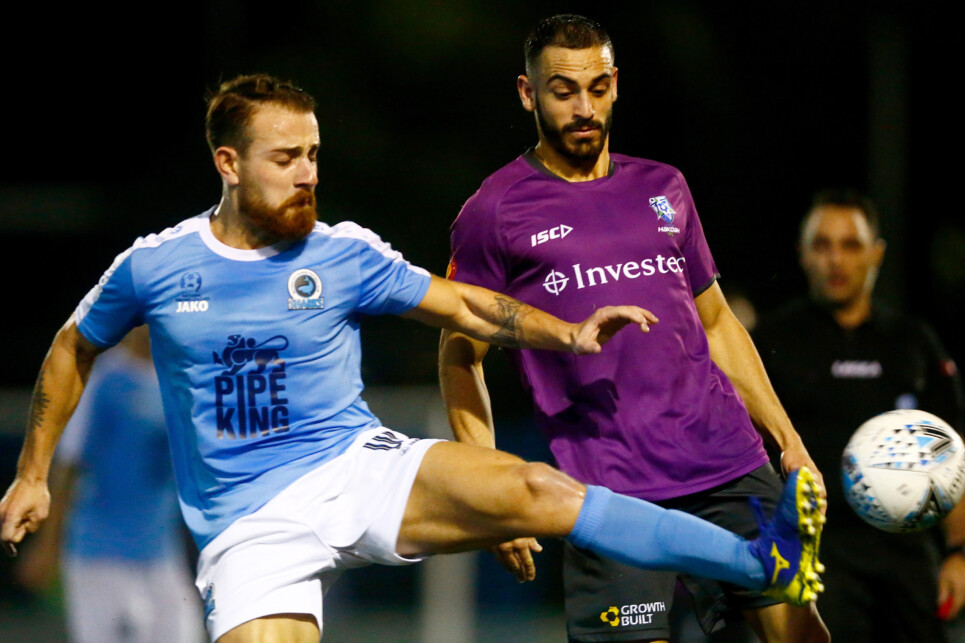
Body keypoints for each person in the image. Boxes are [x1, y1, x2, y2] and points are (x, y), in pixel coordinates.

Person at [1, 74, 824, 643]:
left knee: (541, 489)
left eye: (314, 155)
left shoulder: (343, 251)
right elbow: (73, 346)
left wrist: (563, 333)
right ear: (228, 163)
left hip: (356, 465)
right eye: (286, 159)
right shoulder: (155, 265)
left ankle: (762, 559)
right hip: (249, 527)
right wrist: (34, 471)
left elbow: (462, 304)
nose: (308, 174)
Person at [439, 14, 829, 643]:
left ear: (616, 83)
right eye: (563, 91)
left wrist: (788, 441)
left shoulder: (664, 186)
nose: (584, 107)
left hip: (727, 465)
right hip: (609, 496)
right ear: (527, 92)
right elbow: (461, 355)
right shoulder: (494, 211)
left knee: (802, 636)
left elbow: (717, 322)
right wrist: (493, 493)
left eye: (597, 87)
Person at [752, 189, 965, 642]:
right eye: (822, 244)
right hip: (814, 555)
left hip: (908, 554)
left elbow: (954, 456)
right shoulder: (770, 343)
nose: (835, 260)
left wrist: (959, 553)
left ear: (876, 254)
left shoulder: (913, 342)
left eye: (850, 245)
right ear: (802, 254)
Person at [13, 325, 205, 642]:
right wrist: (47, 546)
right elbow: (69, 466)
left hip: (160, 552)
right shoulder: (101, 380)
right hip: (100, 552)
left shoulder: (181, 379)